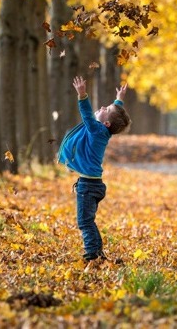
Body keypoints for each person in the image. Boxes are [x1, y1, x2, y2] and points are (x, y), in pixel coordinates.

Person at [57, 76, 131, 264]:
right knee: (88, 221)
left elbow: (88, 115)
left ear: (105, 123)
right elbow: (113, 116)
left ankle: (92, 255)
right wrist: (118, 100)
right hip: (92, 184)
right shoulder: (102, 131)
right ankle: (97, 253)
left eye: (106, 109)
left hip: (88, 186)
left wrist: (82, 95)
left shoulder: (97, 130)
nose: (103, 107)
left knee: (84, 222)